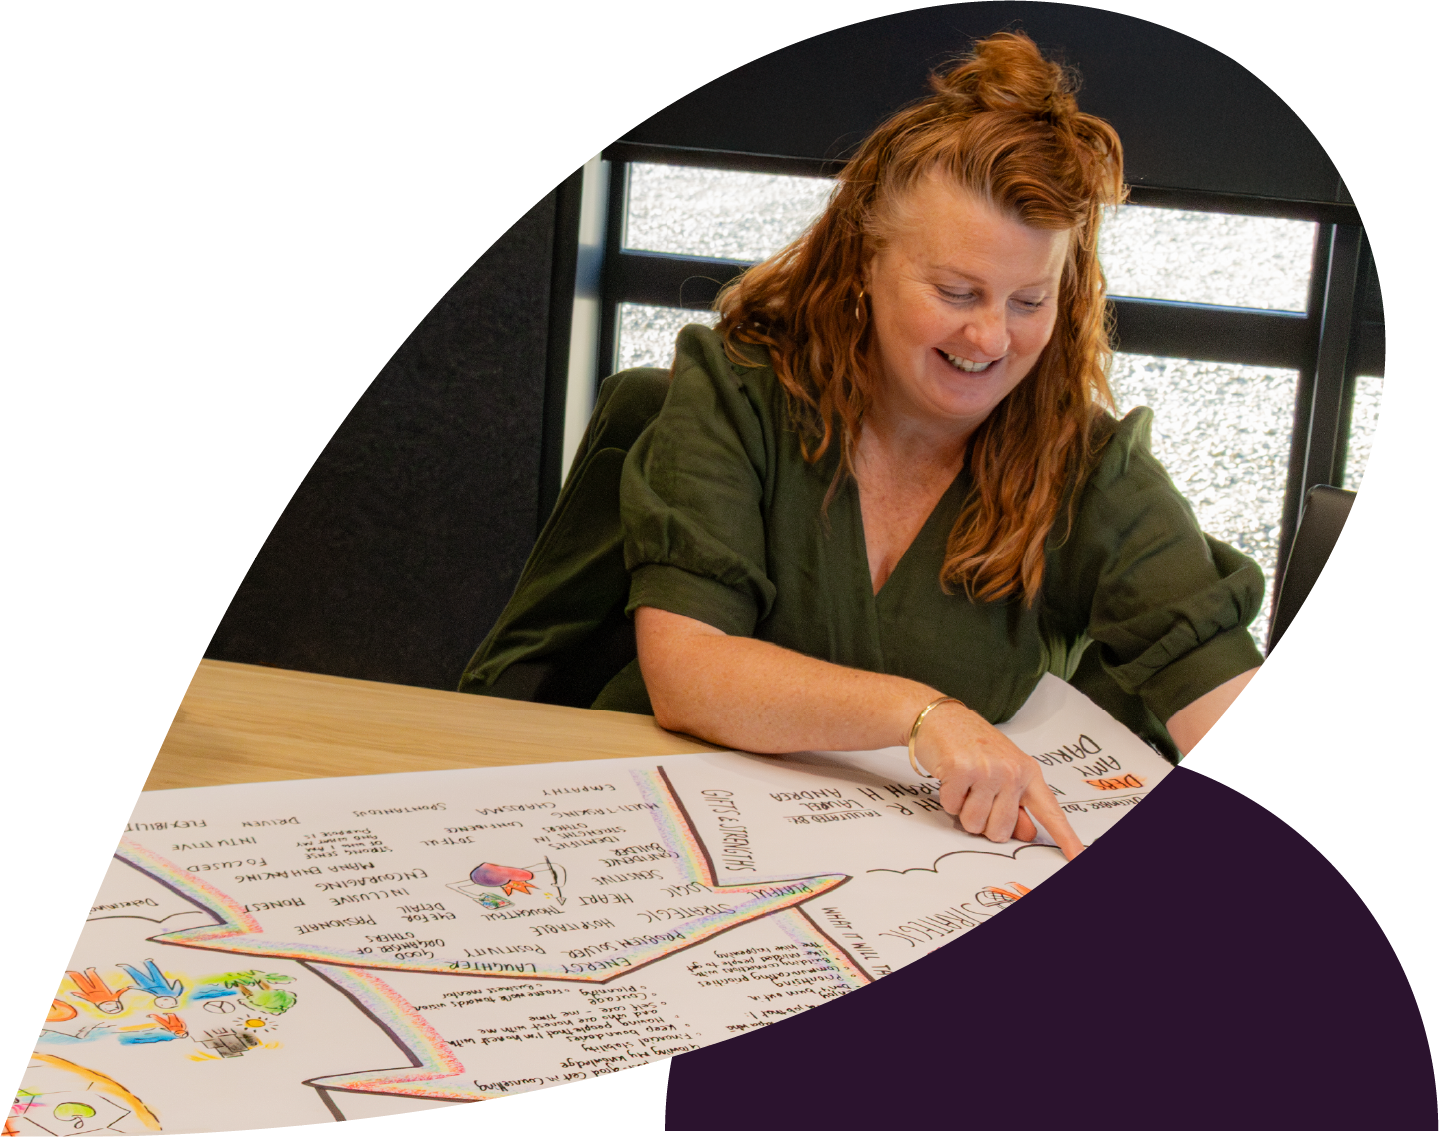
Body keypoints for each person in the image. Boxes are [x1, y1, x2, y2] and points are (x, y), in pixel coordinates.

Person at [467, 32, 1264, 860]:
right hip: (653, 832)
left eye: (1029, 301)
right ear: (863, 265)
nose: (991, 337)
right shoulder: (740, 391)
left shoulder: (1089, 468)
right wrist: (924, 718)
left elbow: (1220, 691)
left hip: (909, 873)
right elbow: (687, 668)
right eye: (955, 291)